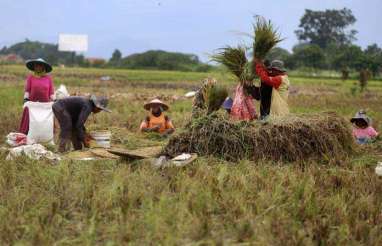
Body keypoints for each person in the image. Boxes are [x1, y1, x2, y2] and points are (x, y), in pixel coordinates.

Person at [19, 58, 54, 134]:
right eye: (36, 66)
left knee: (43, 121)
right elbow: (27, 90)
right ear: (34, 67)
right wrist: (26, 98)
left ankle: (43, 135)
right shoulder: (30, 77)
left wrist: (55, 100)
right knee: (30, 120)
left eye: (39, 66)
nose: (37, 67)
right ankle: (27, 134)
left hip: (45, 104)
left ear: (43, 67)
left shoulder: (48, 78)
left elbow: (51, 92)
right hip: (33, 103)